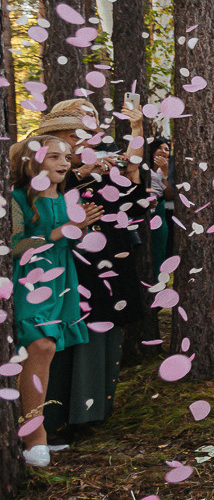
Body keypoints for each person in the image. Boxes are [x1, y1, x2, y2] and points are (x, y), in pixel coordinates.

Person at [34, 99, 148, 450]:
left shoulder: (104, 160)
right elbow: (39, 206)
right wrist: (82, 173)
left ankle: (92, 411)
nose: (85, 133)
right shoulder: (46, 163)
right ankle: (53, 419)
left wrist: (130, 166)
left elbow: (135, 204)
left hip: (110, 256)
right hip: (69, 261)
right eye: (77, 128)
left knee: (105, 327)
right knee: (69, 334)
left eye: (91, 122)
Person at [9, 135, 95, 467]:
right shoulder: (17, 197)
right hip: (29, 279)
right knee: (40, 345)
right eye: (54, 157)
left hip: (61, 278)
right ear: (33, 161)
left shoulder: (67, 197)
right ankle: (35, 437)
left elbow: (70, 241)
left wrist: (81, 229)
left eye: (67, 157)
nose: (63, 163)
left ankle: (32, 431)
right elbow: (15, 245)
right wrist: (61, 231)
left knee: (46, 351)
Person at [146, 137, 175, 275]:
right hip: (141, 211)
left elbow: (169, 195)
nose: (164, 151)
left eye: (167, 149)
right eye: (160, 148)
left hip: (158, 211)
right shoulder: (142, 166)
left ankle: (159, 279)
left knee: (159, 250)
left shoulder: (169, 168)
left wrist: (165, 173)